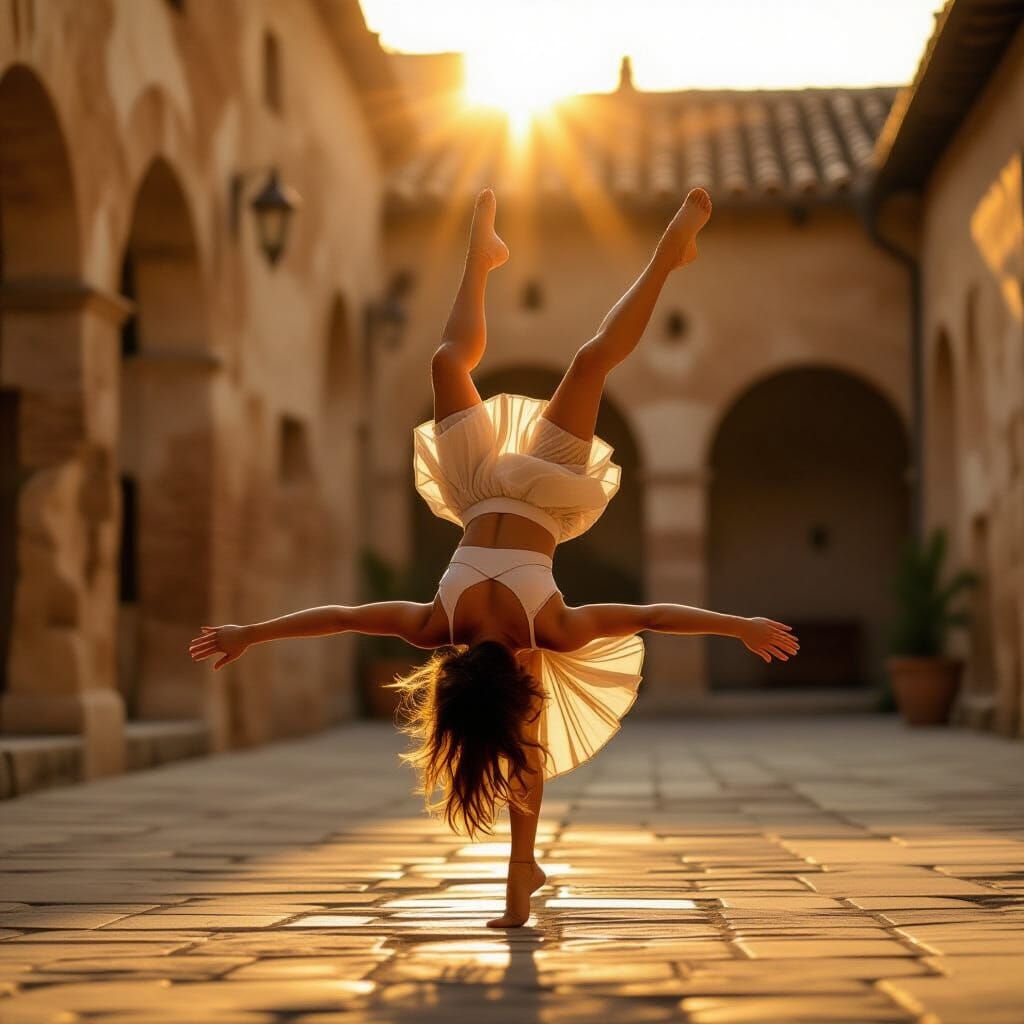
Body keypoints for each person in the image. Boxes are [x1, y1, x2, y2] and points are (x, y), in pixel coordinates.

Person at [189, 186, 799, 928]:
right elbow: (343, 617)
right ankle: (663, 255)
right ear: (450, 681)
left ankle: (499, 257)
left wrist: (740, 625)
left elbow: (653, 616)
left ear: (510, 680)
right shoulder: (466, 628)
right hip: (539, 495)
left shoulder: (505, 630)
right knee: (480, 363)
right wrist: (250, 634)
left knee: (570, 361)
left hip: (479, 490)